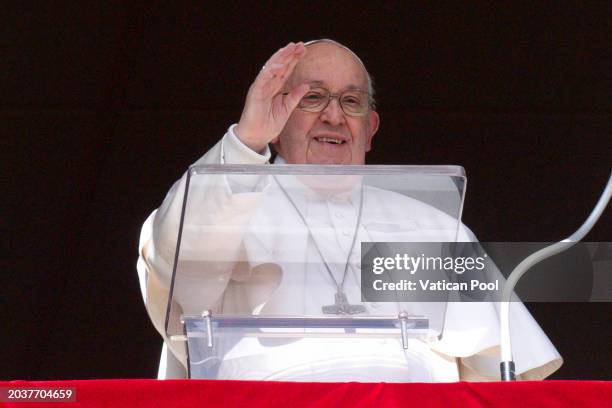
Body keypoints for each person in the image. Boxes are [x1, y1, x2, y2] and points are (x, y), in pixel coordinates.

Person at [137, 39, 562, 381]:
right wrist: (247, 140)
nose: (334, 116)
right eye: (313, 98)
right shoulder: (228, 199)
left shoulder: (424, 225)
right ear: (277, 117)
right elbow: (178, 262)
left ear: (370, 129)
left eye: (351, 102)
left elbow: (502, 372)